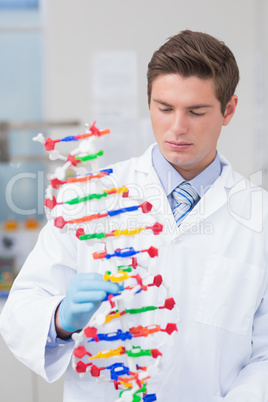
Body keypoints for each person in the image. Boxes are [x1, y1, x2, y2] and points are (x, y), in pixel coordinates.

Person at [1, 29, 268, 402]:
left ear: (229, 110)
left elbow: (265, 354)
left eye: (195, 111)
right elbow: (21, 310)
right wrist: (61, 319)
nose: (177, 127)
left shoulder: (259, 219)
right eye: (164, 108)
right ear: (149, 103)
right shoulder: (89, 199)